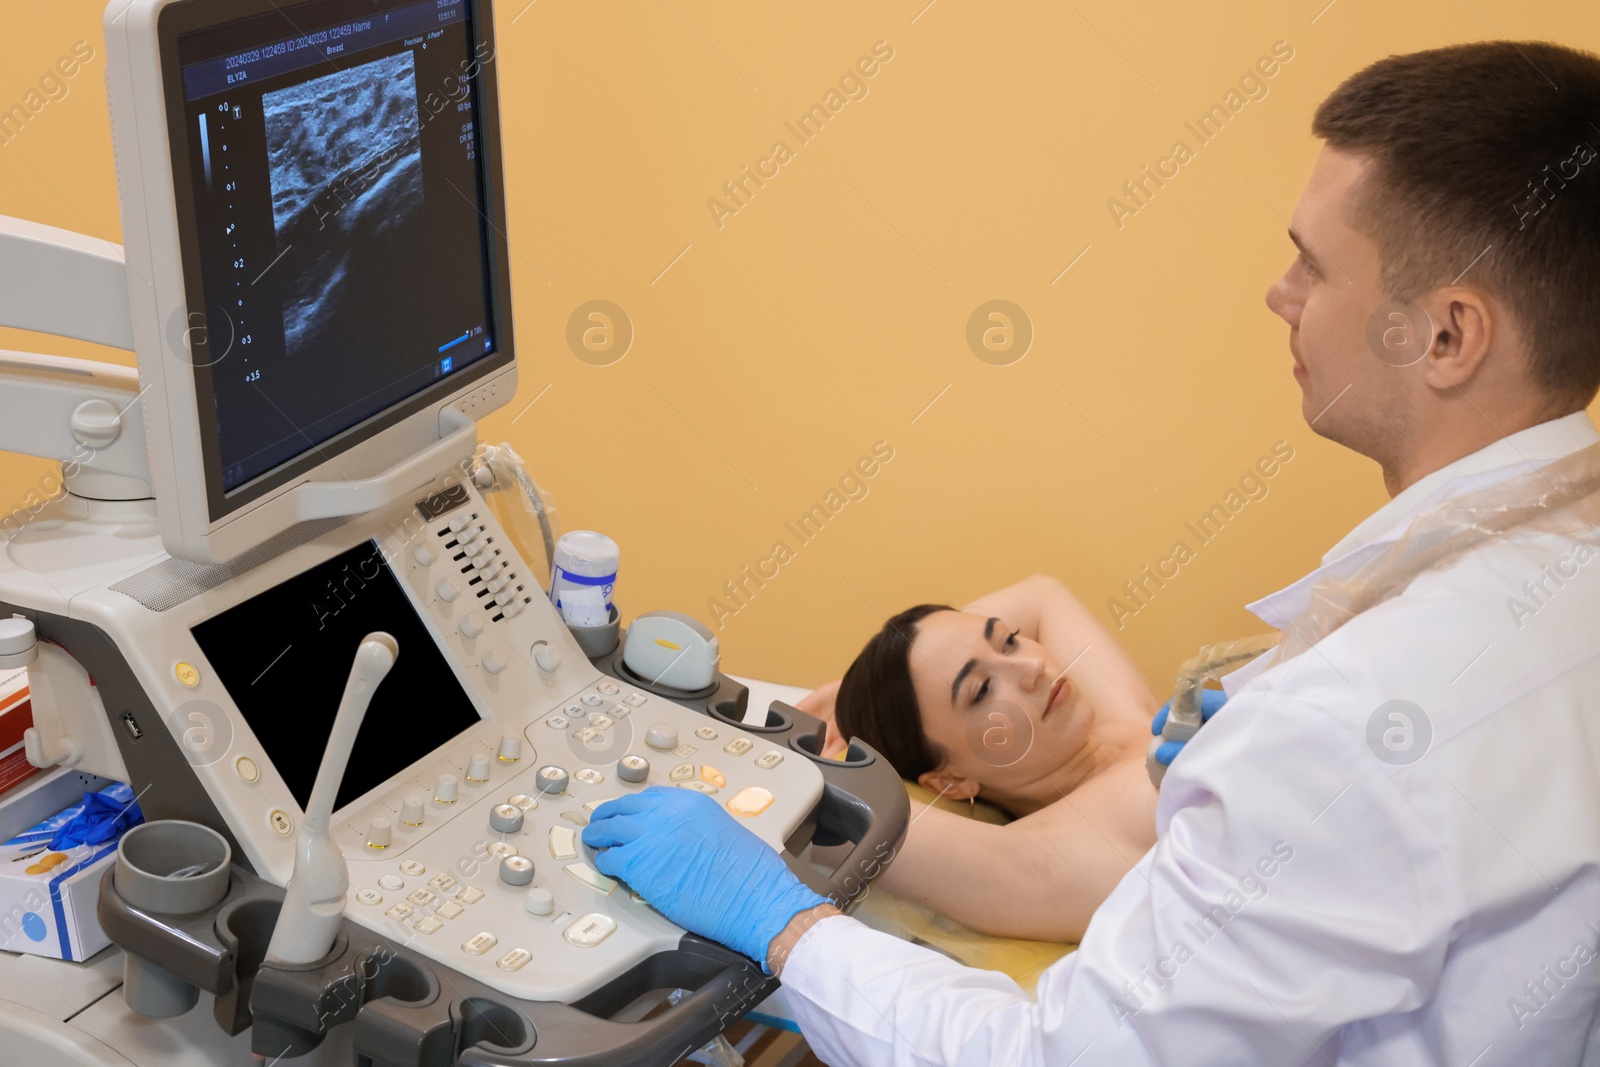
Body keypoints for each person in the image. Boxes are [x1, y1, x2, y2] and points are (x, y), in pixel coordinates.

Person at [585, 41, 1600, 1065]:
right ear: (949, 778)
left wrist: (779, 920)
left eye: (1314, 262)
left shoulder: (1338, 722)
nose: (1278, 293)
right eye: (977, 685)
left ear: (1446, 336)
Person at [795, 576, 1188, 942]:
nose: (1033, 666)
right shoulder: (1046, 853)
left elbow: (1041, 595)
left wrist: (854, 685)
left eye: (1009, 641)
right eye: (982, 690)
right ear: (949, 781)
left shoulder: (1118, 717)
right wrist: (864, 711)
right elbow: (808, 806)